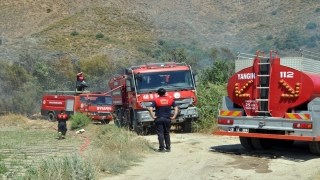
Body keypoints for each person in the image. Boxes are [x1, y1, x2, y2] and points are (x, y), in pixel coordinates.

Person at [148, 88, 178, 152]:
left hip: (158, 119)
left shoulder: (155, 100)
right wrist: (173, 116)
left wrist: (153, 116)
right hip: (167, 119)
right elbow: (176, 108)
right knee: (167, 133)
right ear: (165, 93)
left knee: (160, 134)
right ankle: (168, 148)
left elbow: (150, 109)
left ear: (158, 93)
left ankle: (161, 148)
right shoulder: (170, 99)